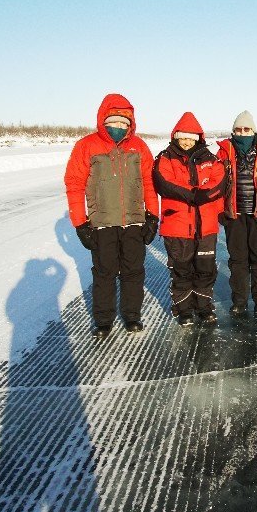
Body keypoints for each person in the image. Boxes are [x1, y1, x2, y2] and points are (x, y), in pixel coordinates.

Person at [64, 93, 159, 339]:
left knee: (133, 271)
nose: (118, 127)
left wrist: (152, 216)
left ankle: (132, 316)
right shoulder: (86, 146)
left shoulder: (139, 147)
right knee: (104, 273)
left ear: (131, 124)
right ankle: (104, 320)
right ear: (103, 120)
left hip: (134, 222)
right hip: (102, 223)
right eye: (114, 122)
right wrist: (80, 224)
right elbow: (74, 184)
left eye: (123, 123)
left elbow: (148, 182)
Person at [153, 112, 227, 326]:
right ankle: (184, 309)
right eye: (183, 137)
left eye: (190, 138)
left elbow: (218, 183)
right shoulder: (165, 158)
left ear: (198, 138)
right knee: (181, 269)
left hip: (206, 227)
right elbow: (165, 184)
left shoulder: (211, 159)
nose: (186, 142)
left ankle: (203, 306)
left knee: (205, 269)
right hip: (177, 227)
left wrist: (203, 194)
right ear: (175, 137)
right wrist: (194, 194)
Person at [216, 111, 257, 317]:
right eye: (238, 129)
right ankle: (239, 300)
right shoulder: (224, 151)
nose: (242, 133)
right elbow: (217, 183)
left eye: (246, 129)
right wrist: (221, 210)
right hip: (234, 215)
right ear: (233, 131)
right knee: (238, 260)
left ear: (253, 130)